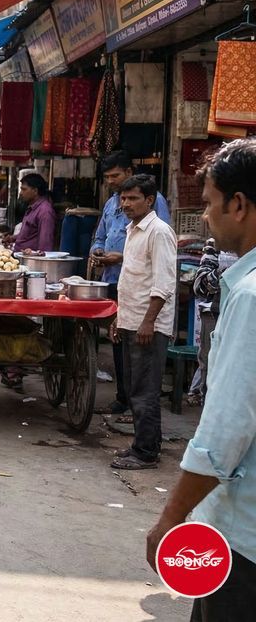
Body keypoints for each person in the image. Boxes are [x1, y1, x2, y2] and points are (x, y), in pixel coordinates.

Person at [146, 138, 256, 618]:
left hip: (243, 542)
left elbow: (225, 429)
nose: (206, 218)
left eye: (210, 204)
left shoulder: (251, 297)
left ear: (239, 204)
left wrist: (171, 516)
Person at [89, 152, 172, 415]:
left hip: (145, 297)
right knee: (121, 349)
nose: (126, 202)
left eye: (116, 176)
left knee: (144, 373)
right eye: (107, 178)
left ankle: (144, 439)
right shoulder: (113, 206)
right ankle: (123, 399)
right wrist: (99, 252)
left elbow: (160, 265)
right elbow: (100, 235)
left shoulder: (155, 213)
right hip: (119, 286)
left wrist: (120, 257)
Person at [108, 174, 176, 471]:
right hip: (131, 318)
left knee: (145, 390)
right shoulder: (133, 230)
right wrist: (119, 316)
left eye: (133, 198)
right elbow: (131, 278)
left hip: (148, 325)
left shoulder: (158, 232)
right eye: (123, 198)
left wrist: (149, 321)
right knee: (134, 386)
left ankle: (146, 452)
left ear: (150, 200)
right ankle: (143, 444)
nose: (126, 204)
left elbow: (163, 283)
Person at [188, 237, 238, 406]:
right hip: (215, 315)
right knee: (211, 373)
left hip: (245, 316)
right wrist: (226, 271)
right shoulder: (216, 243)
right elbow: (199, 286)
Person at [11, 173, 58, 253]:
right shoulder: (31, 207)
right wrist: (14, 238)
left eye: (24, 189)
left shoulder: (45, 211)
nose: (21, 193)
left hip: (31, 261)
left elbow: (45, 245)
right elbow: (30, 235)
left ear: (35, 191)